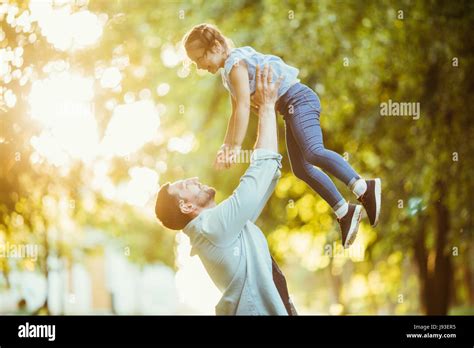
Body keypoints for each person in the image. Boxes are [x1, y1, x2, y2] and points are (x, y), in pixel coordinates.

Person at [182, 23, 382, 248]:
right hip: (290, 110)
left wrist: (236, 146)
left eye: (199, 58)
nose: (199, 66)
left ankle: (364, 187)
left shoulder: (235, 64)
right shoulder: (228, 73)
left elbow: (243, 109)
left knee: (313, 152)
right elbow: (234, 113)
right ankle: (344, 212)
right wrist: (226, 146)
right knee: (300, 168)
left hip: (300, 100)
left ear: (217, 46)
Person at [155, 65, 296, 315]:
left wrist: (268, 109)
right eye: (185, 185)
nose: (194, 179)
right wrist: (265, 107)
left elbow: (266, 175)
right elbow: (258, 176)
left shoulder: (225, 228)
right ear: (186, 206)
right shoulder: (212, 228)